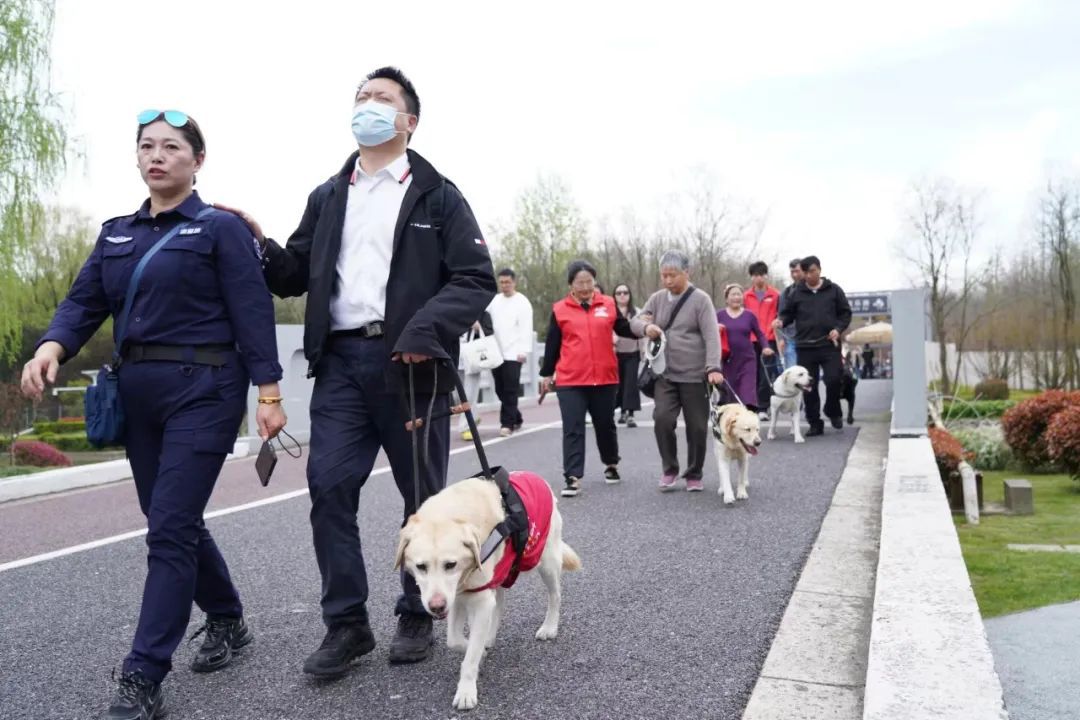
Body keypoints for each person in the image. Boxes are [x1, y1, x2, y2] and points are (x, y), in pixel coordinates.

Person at [219, 67, 496, 672]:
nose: (367, 106)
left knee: (424, 501)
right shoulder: (328, 194)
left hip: (413, 368)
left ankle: (417, 613)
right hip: (342, 363)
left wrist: (424, 329)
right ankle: (346, 624)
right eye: (361, 97)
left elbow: (475, 278)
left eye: (382, 99)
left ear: (408, 121)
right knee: (329, 487)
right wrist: (259, 243)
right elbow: (294, 273)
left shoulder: (438, 195)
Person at [21, 109, 286, 719]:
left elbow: (253, 310)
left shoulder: (220, 229)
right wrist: (50, 348)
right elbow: (84, 300)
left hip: (208, 387)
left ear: (197, 160)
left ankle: (143, 675)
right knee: (173, 519)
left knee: (167, 526)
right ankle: (226, 618)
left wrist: (267, 393)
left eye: (171, 146)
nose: (156, 155)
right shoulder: (117, 233)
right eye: (147, 146)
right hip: (139, 392)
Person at [540, 261, 649, 497]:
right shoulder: (560, 309)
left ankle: (611, 463)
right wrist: (546, 374)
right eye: (580, 282)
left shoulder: (608, 304)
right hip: (571, 379)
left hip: (605, 377)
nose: (586, 286)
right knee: (573, 427)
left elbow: (623, 327)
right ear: (571, 284)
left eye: (589, 281)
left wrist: (644, 329)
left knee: (605, 424)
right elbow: (552, 345)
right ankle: (572, 476)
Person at [632, 251, 724, 492]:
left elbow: (712, 336)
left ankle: (694, 472)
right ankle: (670, 469)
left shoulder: (701, 299)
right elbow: (635, 322)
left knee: (697, 427)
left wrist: (713, 367)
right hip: (665, 374)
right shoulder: (657, 299)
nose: (668, 280)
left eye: (672, 275)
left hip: (695, 375)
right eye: (664, 275)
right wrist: (647, 326)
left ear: (686, 272)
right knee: (662, 419)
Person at [775, 255, 852, 436]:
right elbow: (788, 314)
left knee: (834, 379)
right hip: (805, 346)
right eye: (806, 272)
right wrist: (781, 321)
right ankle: (814, 422)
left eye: (812, 271)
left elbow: (845, 313)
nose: (809, 276)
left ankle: (833, 411)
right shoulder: (796, 293)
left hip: (828, 344)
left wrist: (838, 329)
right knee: (808, 385)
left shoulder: (834, 290)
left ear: (819, 269)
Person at [487, 268, 533, 436]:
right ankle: (516, 417)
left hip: (514, 353)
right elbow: (486, 319)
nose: (505, 285)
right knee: (500, 389)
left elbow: (526, 328)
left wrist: (524, 350)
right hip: (496, 352)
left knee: (510, 389)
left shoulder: (522, 302)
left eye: (508, 282)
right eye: (502, 282)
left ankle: (506, 424)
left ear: (514, 282)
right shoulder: (495, 301)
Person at [717, 284, 771, 412]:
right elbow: (709, 334)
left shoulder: (749, 315)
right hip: (728, 360)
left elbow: (760, 334)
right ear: (726, 298)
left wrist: (765, 347)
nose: (736, 297)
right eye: (733, 294)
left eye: (739, 294)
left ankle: (749, 420)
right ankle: (733, 423)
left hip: (747, 359)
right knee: (731, 394)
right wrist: (716, 329)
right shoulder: (719, 315)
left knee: (747, 392)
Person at [743, 261, 782, 413]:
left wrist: (780, 337)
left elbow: (780, 316)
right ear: (751, 277)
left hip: (770, 339)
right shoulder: (746, 296)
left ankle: (764, 407)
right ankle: (754, 405)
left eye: (761, 275)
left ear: (766, 276)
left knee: (766, 374)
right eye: (755, 275)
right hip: (751, 340)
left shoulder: (776, 295)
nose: (758, 278)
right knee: (753, 373)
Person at [457, 310, 494, 441]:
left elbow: (489, 334)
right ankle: (474, 415)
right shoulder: (451, 310)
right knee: (458, 394)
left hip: (474, 358)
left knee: (469, 394)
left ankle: (465, 427)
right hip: (456, 358)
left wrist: (478, 328)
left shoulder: (482, 313)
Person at [612, 283, 643, 427]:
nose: (622, 295)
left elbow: (643, 332)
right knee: (619, 384)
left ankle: (630, 414)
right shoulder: (611, 312)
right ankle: (621, 411)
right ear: (614, 296)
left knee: (631, 383)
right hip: (615, 353)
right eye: (619, 293)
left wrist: (644, 351)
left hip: (632, 353)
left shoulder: (637, 312)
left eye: (625, 292)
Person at [777, 258, 803, 371]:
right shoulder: (786, 293)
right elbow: (781, 316)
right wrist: (781, 339)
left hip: (810, 339)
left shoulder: (814, 290)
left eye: (797, 271)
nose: (795, 274)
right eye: (792, 272)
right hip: (791, 339)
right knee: (792, 374)